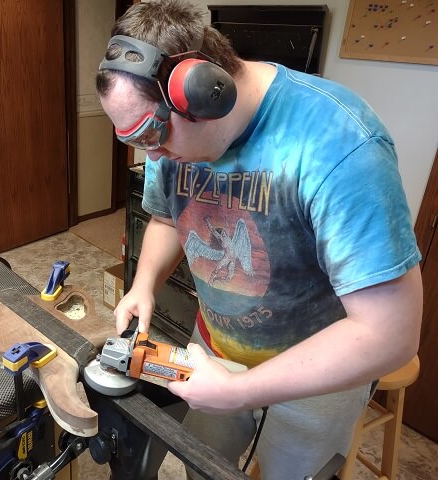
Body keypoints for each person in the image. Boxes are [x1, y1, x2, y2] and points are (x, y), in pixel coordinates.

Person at [95, 1, 423, 479]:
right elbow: (168, 218)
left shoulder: (339, 143)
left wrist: (239, 391)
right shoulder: (169, 137)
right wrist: (143, 284)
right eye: (135, 140)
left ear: (206, 94)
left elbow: (389, 334)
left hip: (317, 377)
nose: (153, 153)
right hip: (213, 348)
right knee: (203, 467)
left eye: (152, 133)